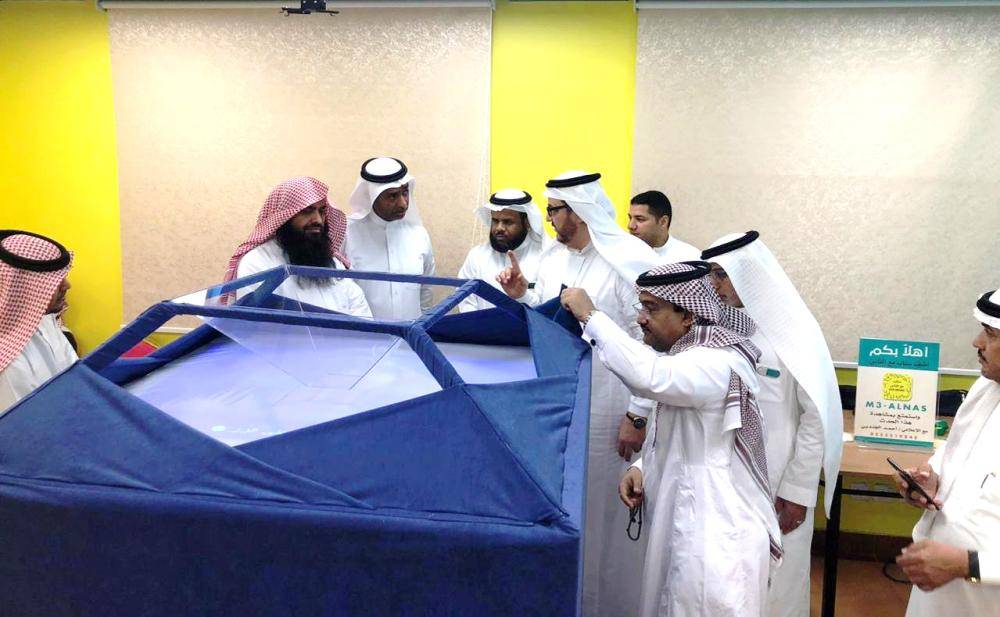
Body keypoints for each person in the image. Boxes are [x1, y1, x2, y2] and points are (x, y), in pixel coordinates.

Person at [561, 261, 781, 617]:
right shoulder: (692, 356)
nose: (640, 319)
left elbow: (651, 377)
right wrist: (642, 466)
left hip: (716, 533)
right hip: (687, 516)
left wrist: (592, 317)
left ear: (689, 316)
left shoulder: (716, 363)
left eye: (651, 308)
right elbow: (683, 432)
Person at [496, 170, 659, 617]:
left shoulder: (626, 260)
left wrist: (638, 413)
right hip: (560, 403)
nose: (548, 218)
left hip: (611, 407)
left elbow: (651, 342)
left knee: (606, 509)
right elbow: (546, 324)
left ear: (580, 211)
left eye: (554, 210)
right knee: (566, 505)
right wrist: (520, 298)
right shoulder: (553, 260)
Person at [701, 231, 843, 617]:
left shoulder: (795, 333)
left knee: (779, 586)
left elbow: (817, 420)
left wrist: (797, 491)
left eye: (721, 274)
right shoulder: (722, 329)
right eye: (711, 274)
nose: (715, 284)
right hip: (727, 480)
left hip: (778, 484)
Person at [893, 288, 1000, 616]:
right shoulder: (987, 386)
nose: (976, 343)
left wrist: (965, 565)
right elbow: (957, 454)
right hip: (939, 585)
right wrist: (930, 481)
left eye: (990, 334)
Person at [224, 176, 371, 317]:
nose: (318, 220)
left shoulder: (334, 264)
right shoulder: (257, 263)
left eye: (321, 211)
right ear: (284, 217)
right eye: (307, 211)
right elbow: (253, 325)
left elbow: (361, 315)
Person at [344, 157, 435, 320]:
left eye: (405, 192)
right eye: (392, 196)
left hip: (411, 332)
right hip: (364, 334)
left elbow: (426, 290)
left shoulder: (419, 234)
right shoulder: (347, 234)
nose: (403, 203)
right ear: (372, 196)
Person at [0, 230, 78, 414]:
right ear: (21, 286)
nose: (67, 285)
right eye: (55, 280)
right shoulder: (6, 361)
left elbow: (77, 381)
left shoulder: (46, 325)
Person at [457, 189, 547, 313]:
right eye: (495, 221)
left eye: (507, 222)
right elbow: (466, 301)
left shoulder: (545, 256)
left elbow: (547, 311)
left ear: (527, 223)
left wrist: (523, 295)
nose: (499, 228)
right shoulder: (477, 255)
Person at [628, 191, 700, 262]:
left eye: (640, 219)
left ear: (663, 222)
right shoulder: (624, 255)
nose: (630, 226)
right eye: (630, 218)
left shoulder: (690, 258)